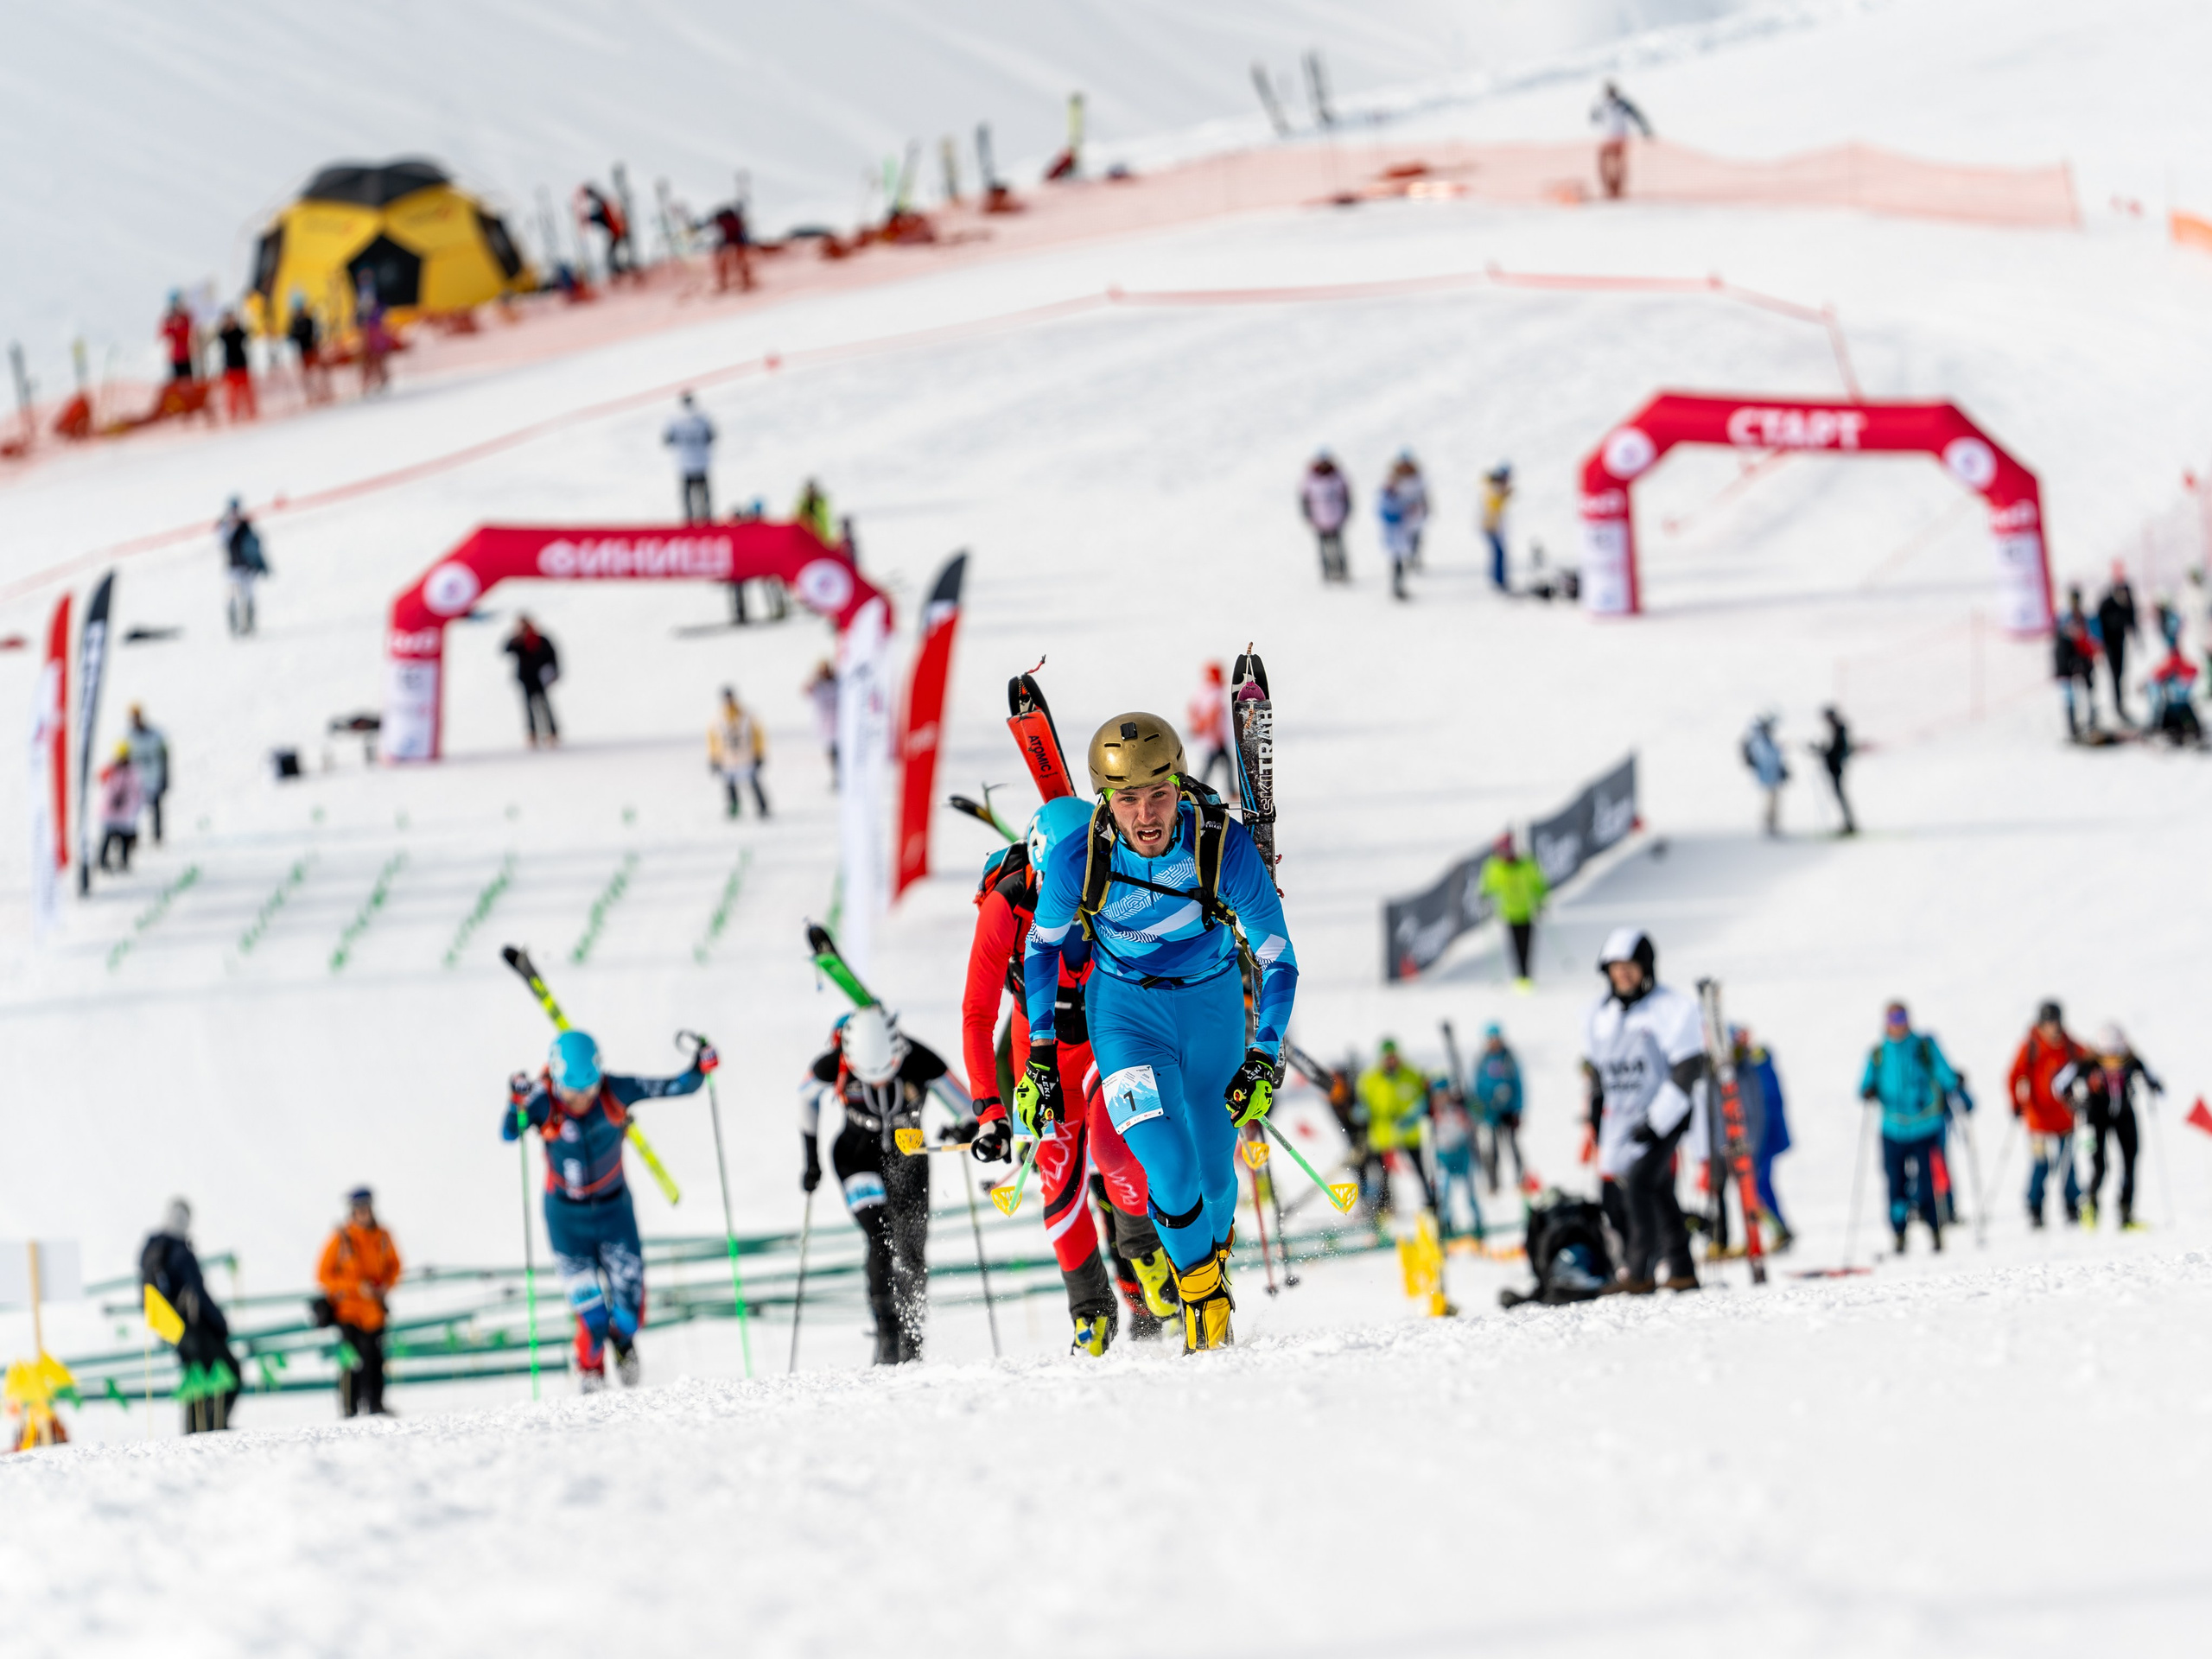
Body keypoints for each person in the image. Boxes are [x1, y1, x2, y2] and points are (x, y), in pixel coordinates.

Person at [1020, 712, 1299, 1352]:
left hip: (1214, 1009)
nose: (1146, 816)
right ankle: (1203, 1301)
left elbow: (1279, 956)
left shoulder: (1219, 846)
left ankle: (1207, 1277)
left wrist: (1264, 1053)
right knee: (1166, 1166)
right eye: (1128, 800)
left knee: (1216, 1175)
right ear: (1106, 801)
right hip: (1123, 1017)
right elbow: (1040, 950)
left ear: (1178, 785)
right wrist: (1039, 1053)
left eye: (1158, 794)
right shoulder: (1075, 861)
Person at [962, 798, 1178, 1352]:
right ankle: (1090, 1310)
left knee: (1120, 1144)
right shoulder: (1005, 907)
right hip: (1040, 1048)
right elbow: (977, 1014)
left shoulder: (1120, 875)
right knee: (1059, 1183)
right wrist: (988, 1108)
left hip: (1109, 1030)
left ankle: (1144, 1246)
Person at [504, 1029, 715, 1389]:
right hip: (566, 1221)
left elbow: (680, 1086)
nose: (580, 1100)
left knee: (630, 1315)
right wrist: (515, 1102)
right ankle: (589, 1370)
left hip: (614, 1213)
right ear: (556, 1081)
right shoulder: (543, 1100)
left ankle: (623, 1341)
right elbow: (510, 1133)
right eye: (571, 1093)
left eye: (587, 1091)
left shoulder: (614, 1089)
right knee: (592, 1318)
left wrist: (700, 1064)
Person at [800, 1007, 961, 1364]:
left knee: (913, 1249)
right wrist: (810, 1158)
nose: (876, 1082)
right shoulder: (834, 1062)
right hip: (855, 1159)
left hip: (910, 1160)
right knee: (880, 1236)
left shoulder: (920, 1058)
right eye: (866, 1075)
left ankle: (912, 1336)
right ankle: (887, 1334)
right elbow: (805, 1097)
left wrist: (965, 1126)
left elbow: (967, 1105)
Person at [1580, 928, 1703, 1293]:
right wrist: (1596, 1111)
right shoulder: (1599, 1015)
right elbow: (1598, 1071)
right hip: (1624, 1116)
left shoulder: (1672, 1009)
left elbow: (1688, 1067)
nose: (1623, 975)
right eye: (1616, 968)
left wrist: (1658, 1120)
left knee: (1639, 1186)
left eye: (1630, 967)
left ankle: (1639, 1272)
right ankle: (1682, 1269)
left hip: (1666, 1113)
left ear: (1646, 968)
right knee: (1657, 1189)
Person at [1857, 1002, 1964, 1253]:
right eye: (1893, 1018)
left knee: (1929, 1182)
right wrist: (1868, 1090)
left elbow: (1944, 1074)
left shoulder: (1925, 1046)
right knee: (1896, 1183)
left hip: (1926, 1126)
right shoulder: (1878, 1053)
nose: (1898, 1023)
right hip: (1892, 1129)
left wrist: (1955, 1081)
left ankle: (1936, 1230)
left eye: (1901, 1017)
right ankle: (1899, 1233)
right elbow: (1864, 1083)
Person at [142, 1198, 239, 1433]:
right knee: (226, 1372)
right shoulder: (178, 1252)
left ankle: (194, 1433)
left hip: (172, 1328)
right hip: (195, 1325)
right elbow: (198, 1291)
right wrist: (220, 1322)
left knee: (193, 1378)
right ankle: (212, 1429)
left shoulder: (152, 1249)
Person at [2062, 1025, 2160, 1230]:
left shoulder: (2132, 1061)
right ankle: (2090, 1207)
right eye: (2107, 1056)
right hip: (2094, 1117)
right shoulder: (2086, 1063)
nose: (2113, 1061)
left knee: (2130, 1162)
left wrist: (2153, 1085)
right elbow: (2060, 1085)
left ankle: (2126, 1214)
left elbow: (2153, 1078)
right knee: (2099, 1166)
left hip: (2124, 1115)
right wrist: (2076, 1103)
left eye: (2117, 1055)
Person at [317, 1188, 401, 1418]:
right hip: (349, 1312)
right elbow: (323, 1275)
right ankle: (349, 1408)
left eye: (366, 1208)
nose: (363, 1212)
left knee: (375, 1359)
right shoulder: (341, 1238)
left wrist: (385, 1285)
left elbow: (395, 1267)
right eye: (358, 1208)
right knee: (351, 1361)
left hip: (374, 1311)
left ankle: (376, 1404)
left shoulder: (383, 1236)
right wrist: (355, 1287)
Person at [2009, 1000, 2086, 1228]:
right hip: (2038, 1120)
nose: (2053, 1027)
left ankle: (2072, 1206)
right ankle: (2034, 1208)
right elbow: (2014, 1076)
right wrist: (2016, 1103)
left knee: (2068, 1164)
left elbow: (2090, 1062)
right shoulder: (2030, 1046)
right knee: (2040, 1165)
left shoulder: (2070, 1045)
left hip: (2065, 1118)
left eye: (2056, 1021)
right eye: (2048, 1022)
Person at [1356, 1039, 1434, 1222]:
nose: (1390, 1061)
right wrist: (1362, 1111)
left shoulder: (1411, 1074)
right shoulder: (1370, 1079)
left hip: (1409, 1133)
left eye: (1393, 1057)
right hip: (1383, 1136)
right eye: (1387, 1057)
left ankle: (1430, 1203)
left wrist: (1415, 1113)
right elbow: (1362, 1104)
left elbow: (1423, 1098)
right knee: (1383, 1176)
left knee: (1421, 1170)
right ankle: (1385, 1209)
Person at [1733, 1025, 1793, 1249]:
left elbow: (1764, 1105)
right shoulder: (1746, 1067)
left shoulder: (1755, 1064)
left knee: (1758, 1185)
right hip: (1758, 1136)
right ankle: (1763, 1232)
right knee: (1756, 1185)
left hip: (1764, 1136)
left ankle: (1778, 1230)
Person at [1478, 834, 1548, 989]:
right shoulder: (1495, 867)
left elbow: (1537, 882)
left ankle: (1527, 975)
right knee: (1516, 946)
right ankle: (1520, 977)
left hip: (1527, 911)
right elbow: (1488, 884)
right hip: (1509, 913)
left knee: (1527, 944)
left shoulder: (1526, 864)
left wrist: (1541, 900)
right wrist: (1484, 894)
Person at [1469, 1023, 1524, 1194]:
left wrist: (1517, 1108)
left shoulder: (1508, 1058)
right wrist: (1478, 1110)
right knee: (1491, 1149)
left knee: (1513, 1146)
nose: (1493, 1042)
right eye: (1490, 1039)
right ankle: (1493, 1183)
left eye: (1496, 1038)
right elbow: (1477, 1086)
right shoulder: (1482, 1060)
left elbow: (1518, 1085)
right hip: (1489, 1113)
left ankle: (1520, 1179)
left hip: (1508, 1111)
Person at [708, 687, 770, 817]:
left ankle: (762, 806)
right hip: (728, 757)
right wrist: (714, 757)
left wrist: (759, 753)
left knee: (753, 781)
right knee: (730, 783)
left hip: (746, 755)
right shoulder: (718, 718)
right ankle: (734, 806)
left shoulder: (746, 715)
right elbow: (713, 739)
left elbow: (758, 734)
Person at [1589, 80, 1653, 200]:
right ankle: (1609, 188)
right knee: (1606, 166)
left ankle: (1618, 189)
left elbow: (1638, 116)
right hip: (1607, 140)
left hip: (1621, 140)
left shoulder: (1623, 104)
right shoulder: (1602, 105)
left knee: (1619, 166)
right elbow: (1593, 119)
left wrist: (1646, 130)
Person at [503, 616, 560, 747]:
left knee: (544, 705)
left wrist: (554, 672)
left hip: (540, 678)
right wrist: (515, 638)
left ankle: (552, 731)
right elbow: (506, 650)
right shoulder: (518, 641)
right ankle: (532, 733)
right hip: (525, 678)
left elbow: (552, 655)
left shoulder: (540, 639)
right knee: (528, 707)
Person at [217, 496, 268, 637]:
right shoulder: (224, 527)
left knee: (248, 596)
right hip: (233, 568)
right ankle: (234, 627)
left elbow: (255, 545)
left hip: (247, 568)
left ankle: (249, 625)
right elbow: (220, 544)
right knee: (232, 597)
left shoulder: (246, 526)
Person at [2054, 588, 2100, 740]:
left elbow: (2091, 641)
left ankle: (2091, 722)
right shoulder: (2066, 620)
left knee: (2088, 692)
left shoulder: (2084, 619)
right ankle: (2074, 728)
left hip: (2084, 662)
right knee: (2070, 696)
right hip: (2068, 665)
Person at [1376, 455, 1425, 601]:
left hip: (1406, 528)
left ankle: (1400, 585)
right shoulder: (1387, 492)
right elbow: (1383, 510)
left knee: (1404, 556)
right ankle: (1397, 587)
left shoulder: (1409, 487)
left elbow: (1415, 504)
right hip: (1394, 530)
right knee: (1396, 560)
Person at [2096, 568, 2139, 726]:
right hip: (2109, 644)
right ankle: (2117, 706)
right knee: (2114, 675)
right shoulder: (2107, 603)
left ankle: (2120, 704)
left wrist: (2137, 637)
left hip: (2120, 642)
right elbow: (2098, 624)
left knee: (2121, 674)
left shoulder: (2126, 603)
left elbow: (2132, 620)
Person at [664, 391, 715, 523]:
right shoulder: (703, 418)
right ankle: (707, 522)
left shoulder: (675, 420)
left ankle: (690, 524)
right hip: (700, 462)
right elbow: (711, 438)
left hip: (685, 463)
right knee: (703, 498)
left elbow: (667, 441)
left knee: (688, 500)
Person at [1300, 453, 1351, 583]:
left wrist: (1346, 513)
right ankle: (1327, 572)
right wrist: (1308, 516)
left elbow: (1346, 496)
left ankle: (1342, 571)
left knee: (1338, 547)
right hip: (1319, 519)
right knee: (1323, 549)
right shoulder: (1310, 478)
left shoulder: (1337, 476)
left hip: (1336, 517)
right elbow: (1305, 499)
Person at [125, 705, 170, 846]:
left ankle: (157, 836)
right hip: (136, 780)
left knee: (155, 809)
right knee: (133, 810)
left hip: (153, 777)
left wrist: (165, 777)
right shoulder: (128, 737)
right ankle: (131, 838)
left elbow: (164, 756)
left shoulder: (155, 735)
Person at [97, 741, 143, 872]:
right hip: (110, 809)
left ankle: (124, 860)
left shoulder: (133, 771)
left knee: (126, 837)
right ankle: (102, 861)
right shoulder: (111, 769)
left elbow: (137, 790)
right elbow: (102, 780)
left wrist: (136, 806)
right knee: (108, 835)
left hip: (125, 810)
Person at [1810, 706, 1856, 836]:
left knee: (1840, 796)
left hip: (1836, 768)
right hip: (1834, 767)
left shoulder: (1839, 730)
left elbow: (1836, 751)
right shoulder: (1836, 730)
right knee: (1839, 796)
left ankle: (1849, 824)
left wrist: (1823, 752)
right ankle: (1848, 823)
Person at [1186, 663, 1232, 791]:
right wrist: (1214, 734)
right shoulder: (1215, 692)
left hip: (1207, 735)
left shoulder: (1202, 690)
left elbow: (1192, 708)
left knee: (1221, 764)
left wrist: (1196, 725)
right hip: (1214, 737)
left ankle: (1198, 786)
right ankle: (1197, 787)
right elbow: (1213, 713)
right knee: (1212, 764)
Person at [1742, 714, 1787, 836]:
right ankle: (1768, 826)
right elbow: (1767, 758)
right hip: (1767, 776)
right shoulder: (1760, 741)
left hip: (1773, 776)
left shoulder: (1767, 740)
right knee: (1769, 802)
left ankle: (1773, 825)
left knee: (1774, 802)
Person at [287, 291, 328, 404]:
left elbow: (316, 333)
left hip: (313, 351)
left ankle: (323, 392)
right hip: (304, 353)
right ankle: (312, 395)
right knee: (308, 377)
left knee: (318, 373)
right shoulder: (294, 323)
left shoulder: (308, 320)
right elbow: (291, 336)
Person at [215, 310, 257, 423]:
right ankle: (233, 413)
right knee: (232, 393)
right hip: (231, 366)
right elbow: (220, 336)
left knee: (246, 391)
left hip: (242, 365)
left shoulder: (238, 331)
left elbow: (245, 334)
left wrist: (238, 324)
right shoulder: (225, 333)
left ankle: (250, 410)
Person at [805, 660, 839, 786]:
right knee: (832, 755)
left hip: (840, 726)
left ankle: (842, 777)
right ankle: (836, 778)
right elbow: (805, 690)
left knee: (841, 755)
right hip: (827, 727)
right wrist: (814, 676)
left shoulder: (838, 682)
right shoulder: (818, 685)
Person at [1479, 464, 1512, 591]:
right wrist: (1503, 496)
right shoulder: (1492, 488)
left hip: (1494, 526)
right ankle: (1498, 581)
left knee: (1499, 553)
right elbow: (1492, 506)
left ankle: (1499, 580)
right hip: (1490, 526)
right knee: (1498, 553)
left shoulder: (1493, 488)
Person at [712, 201, 754, 292]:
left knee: (739, 261)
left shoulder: (727, 222)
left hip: (736, 241)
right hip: (733, 241)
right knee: (736, 262)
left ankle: (744, 282)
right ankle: (743, 282)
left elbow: (727, 235)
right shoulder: (732, 221)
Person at [159, 292, 197, 385]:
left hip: (186, 356)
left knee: (188, 383)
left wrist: (176, 328)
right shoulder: (169, 320)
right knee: (176, 384)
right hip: (174, 358)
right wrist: (169, 322)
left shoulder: (185, 318)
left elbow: (188, 332)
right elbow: (163, 333)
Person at [794, 478, 836, 545]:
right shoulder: (803, 503)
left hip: (821, 537)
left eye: (813, 490)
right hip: (805, 537)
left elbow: (823, 518)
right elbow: (797, 518)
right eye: (809, 490)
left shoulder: (821, 503)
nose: (811, 492)